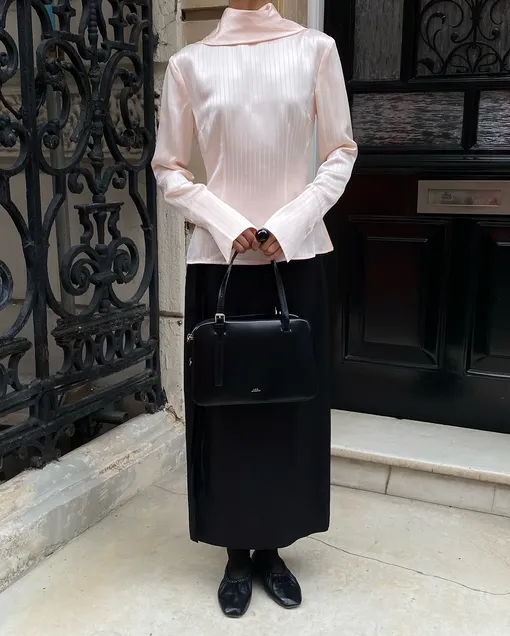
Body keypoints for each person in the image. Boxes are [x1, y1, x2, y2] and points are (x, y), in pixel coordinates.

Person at [152, 0, 357, 618]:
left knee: (290, 408)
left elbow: (340, 152)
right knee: (225, 413)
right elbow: (169, 167)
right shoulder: (190, 64)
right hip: (220, 263)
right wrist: (228, 223)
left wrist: (288, 223)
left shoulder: (316, 50)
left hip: (297, 258)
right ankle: (236, 554)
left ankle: (273, 549)